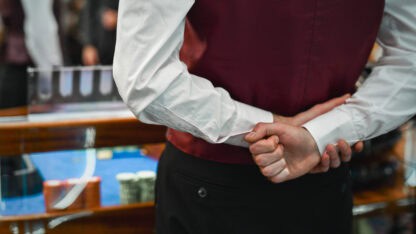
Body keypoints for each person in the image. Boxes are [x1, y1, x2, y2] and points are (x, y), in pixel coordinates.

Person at [112, 0, 408, 233]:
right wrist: (322, 132)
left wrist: (311, 134)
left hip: (231, 183)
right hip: (222, 184)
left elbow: (144, 79)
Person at [245, 0, 416, 184]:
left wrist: (322, 133)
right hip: (218, 175)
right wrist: (323, 130)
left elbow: (411, 52)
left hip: (328, 167)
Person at [80, 0, 118, 65]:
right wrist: (89, 43)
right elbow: (89, 12)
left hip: (124, 47)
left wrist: (118, 17)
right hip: (100, 48)